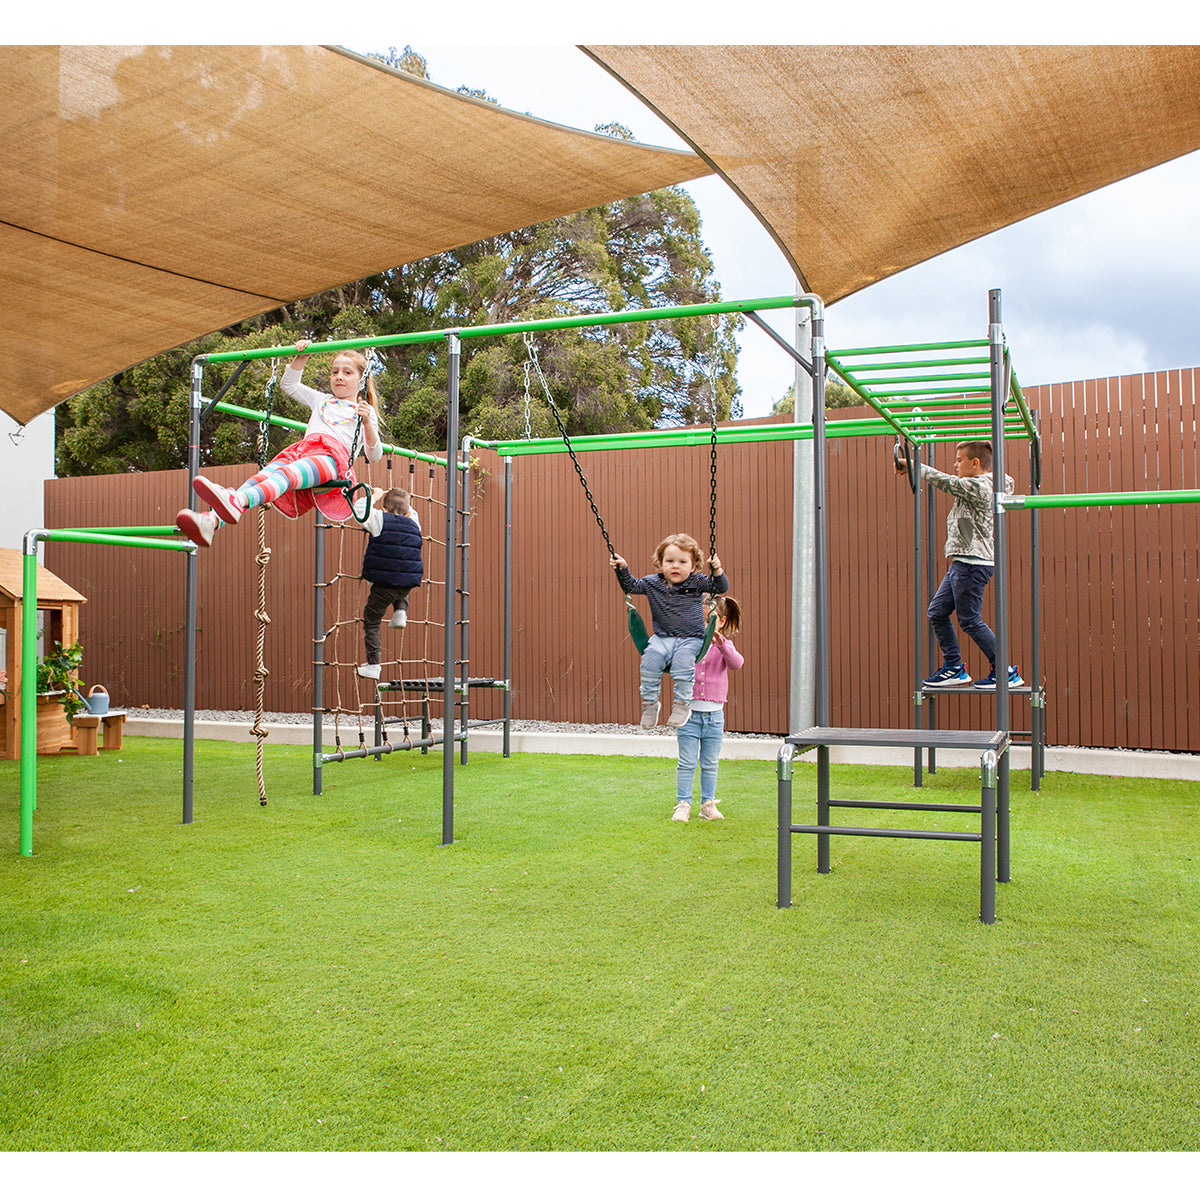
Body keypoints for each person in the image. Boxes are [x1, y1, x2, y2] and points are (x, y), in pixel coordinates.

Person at [176, 339, 384, 547]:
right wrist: (301, 358)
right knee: (262, 476)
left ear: (362, 380)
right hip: (302, 452)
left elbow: (374, 455)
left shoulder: (364, 411)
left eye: (347, 373)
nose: (339, 376)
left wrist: (367, 423)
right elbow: (289, 385)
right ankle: (211, 522)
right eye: (334, 372)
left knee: (286, 474)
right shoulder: (321, 400)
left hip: (331, 461)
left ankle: (237, 500)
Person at [896, 440, 1022, 691]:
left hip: (972, 564)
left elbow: (948, 482)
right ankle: (954, 667)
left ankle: (1005, 671)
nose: (955, 465)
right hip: (962, 562)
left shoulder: (980, 486)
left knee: (970, 620)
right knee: (937, 612)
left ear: (975, 463)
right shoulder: (981, 484)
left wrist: (914, 465)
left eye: (959, 460)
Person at [610, 533, 729, 729]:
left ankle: (682, 704)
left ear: (693, 566)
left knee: (683, 663)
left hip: (691, 638)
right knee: (649, 662)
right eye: (670, 561)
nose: (675, 566)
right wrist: (622, 568)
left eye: (682, 562)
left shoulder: (697, 581)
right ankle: (650, 704)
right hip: (662, 638)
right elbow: (630, 585)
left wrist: (717, 570)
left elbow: (720, 587)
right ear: (660, 564)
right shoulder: (652, 583)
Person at [672, 594, 743, 823]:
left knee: (710, 763)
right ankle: (683, 804)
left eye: (709, 621)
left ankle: (707, 804)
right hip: (688, 715)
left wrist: (721, 645)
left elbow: (736, 663)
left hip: (714, 716)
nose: (703, 626)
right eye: (698, 620)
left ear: (721, 621)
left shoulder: (725, 646)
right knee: (687, 762)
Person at [355, 486, 423, 680]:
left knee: (372, 620)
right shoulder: (414, 522)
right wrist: (404, 503)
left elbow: (359, 510)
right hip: (407, 584)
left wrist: (374, 496)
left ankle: (374, 665)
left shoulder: (379, 519)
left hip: (383, 585)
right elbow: (409, 511)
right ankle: (400, 610)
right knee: (400, 578)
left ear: (384, 509)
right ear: (408, 512)